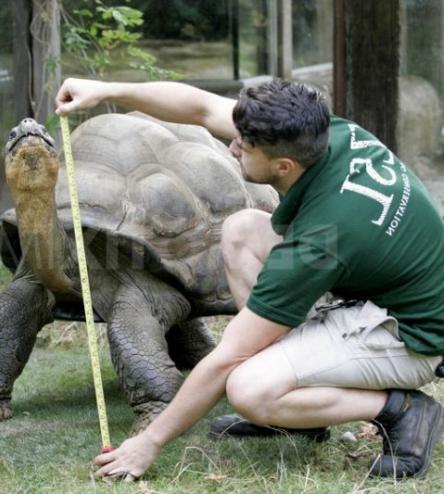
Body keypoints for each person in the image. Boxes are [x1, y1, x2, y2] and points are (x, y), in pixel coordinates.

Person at [54, 78, 444, 481]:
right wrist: (106, 90)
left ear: (283, 167)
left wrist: (149, 442)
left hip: (412, 337)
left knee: (246, 388)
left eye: (245, 147)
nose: (232, 147)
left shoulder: (319, 243)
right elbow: (202, 108)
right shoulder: (323, 134)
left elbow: (227, 359)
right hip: (390, 289)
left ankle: (401, 408)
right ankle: (299, 412)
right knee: (241, 229)